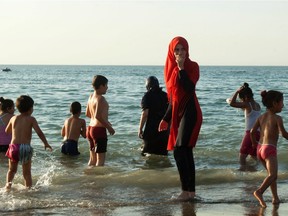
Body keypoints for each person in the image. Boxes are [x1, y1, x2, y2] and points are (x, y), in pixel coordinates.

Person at [158, 36, 202, 201]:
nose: (180, 52)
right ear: (171, 51)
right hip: (178, 113)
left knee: (180, 150)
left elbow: (189, 88)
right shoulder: (170, 71)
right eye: (177, 49)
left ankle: (186, 192)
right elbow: (173, 99)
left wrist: (182, 67)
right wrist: (165, 119)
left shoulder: (192, 66)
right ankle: (190, 193)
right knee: (184, 151)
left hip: (191, 112)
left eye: (183, 49)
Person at [5, 95, 52, 189]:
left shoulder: (13, 118)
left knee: (11, 170)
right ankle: (28, 190)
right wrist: (45, 143)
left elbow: (7, 131)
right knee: (26, 173)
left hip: (13, 147)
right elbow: (39, 132)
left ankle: (8, 187)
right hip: (25, 148)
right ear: (30, 109)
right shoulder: (31, 119)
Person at [251, 90, 288, 208]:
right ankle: (259, 191)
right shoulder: (278, 118)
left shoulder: (261, 117)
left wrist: (254, 144)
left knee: (271, 175)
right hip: (269, 149)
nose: (283, 105)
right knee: (273, 175)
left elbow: (252, 132)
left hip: (260, 148)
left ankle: (275, 198)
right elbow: (284, 134)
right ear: (275, 103)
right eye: (282, 102)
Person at [227, 83, 261, 171]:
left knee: (242, 156)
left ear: (245, 97)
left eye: (241, 98)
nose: (241, 100)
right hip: (258, 133)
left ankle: (242, 174)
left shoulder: (247, 104)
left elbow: (231, 103)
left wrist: (236, 92)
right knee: (254, 156)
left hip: (250, 133)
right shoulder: (257, 105)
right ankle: (254, 173)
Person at [86, 75, 115, 166]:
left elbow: (88, 114)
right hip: (98, 131)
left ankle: (88, 176)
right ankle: (98, 180)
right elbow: (97, 116)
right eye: (106, 85)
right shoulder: (101, 99)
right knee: (100, 161)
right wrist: (109, 127)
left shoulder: (91, 97)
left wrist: (105, 121)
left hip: (90, 129)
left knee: (92, 159)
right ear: (101, 86)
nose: (107, 87)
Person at [138, 76, 169, 156]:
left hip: (151, 131)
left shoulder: (147, 96)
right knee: (163, 155)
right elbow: (170, 113)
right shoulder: (165, 95)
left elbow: (145, 114)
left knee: (146, 154)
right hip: (164, 132)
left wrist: (140, 129)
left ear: (148, 86)